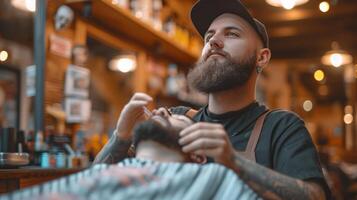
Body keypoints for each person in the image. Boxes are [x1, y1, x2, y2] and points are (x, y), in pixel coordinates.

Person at [95, 0, 330, 199]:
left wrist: (234, 162)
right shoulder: (176, 119)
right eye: (209, 36)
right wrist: (122, 136)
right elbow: (95, 187)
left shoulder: (281, 127)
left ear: (262, 57)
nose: (213, 42)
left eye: (231, 34)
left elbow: (315, 196)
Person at [1, 110, 259, 200]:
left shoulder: (214, 177)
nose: (160, 112)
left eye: (176, 117)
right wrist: (121, 134)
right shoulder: (104, 170)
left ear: (199, 155)